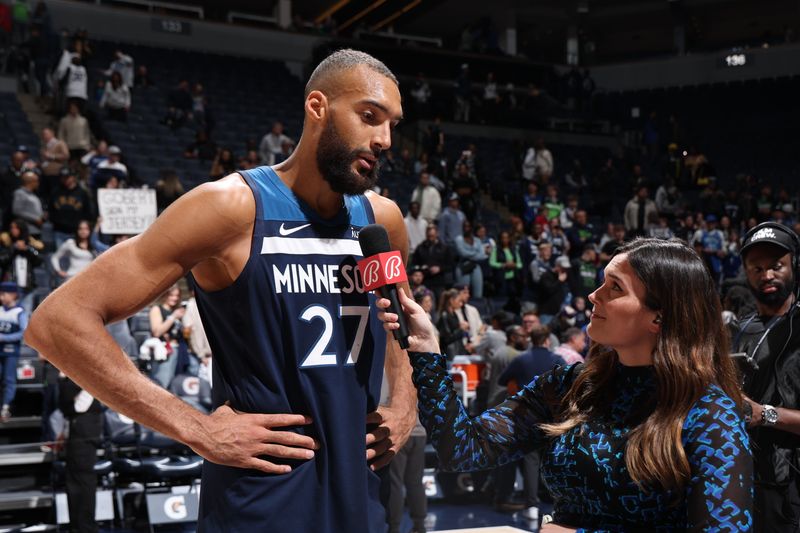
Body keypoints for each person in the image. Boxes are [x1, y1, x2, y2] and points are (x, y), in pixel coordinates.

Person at [25, 49, 416, 532]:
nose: (384, 139)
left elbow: (404, 323)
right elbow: (58, 322)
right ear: (317, 108)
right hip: (261, 501)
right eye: (369, 116)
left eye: (392, 125)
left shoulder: (383, 221)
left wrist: (404, 407)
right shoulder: (230, 208)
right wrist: (195, 429)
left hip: (361, 496)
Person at [376, 238, 753, 531]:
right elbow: (460, 451)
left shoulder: (710, 415)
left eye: (614, 288)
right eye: (600, 283)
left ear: (659, 317)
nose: (594, 295)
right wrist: (427, 351)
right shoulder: (569, 386)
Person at [732, 222, 800, 532]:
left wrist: (764, 414)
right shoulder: (739, 330)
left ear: (794, 266)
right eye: (756, 268)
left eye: (776, 266)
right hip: (735, 479)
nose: (767, 275)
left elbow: (759, 412)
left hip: (786, 490)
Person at [0, 281, 26, 421]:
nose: (1, 297)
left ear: (13, 295)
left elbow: (24, 332)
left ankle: (6, 407)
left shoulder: (19, 312)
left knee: (8, 380)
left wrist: (4, 338)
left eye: (4, 294)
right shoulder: (1, 310)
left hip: (10, 351)